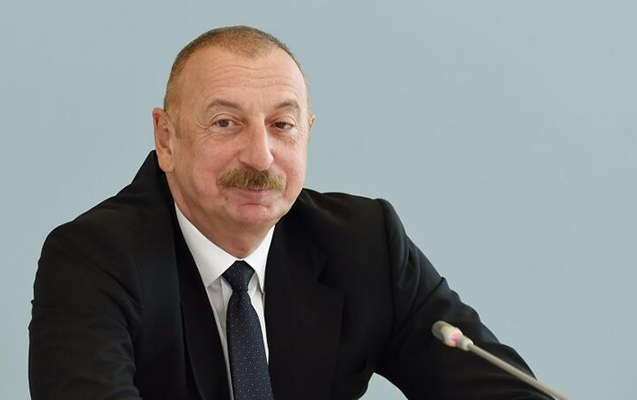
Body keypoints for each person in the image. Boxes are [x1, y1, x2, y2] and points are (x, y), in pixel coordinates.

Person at [29, 26, 549, 400]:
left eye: (282, 125)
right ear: (166, 139)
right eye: (226, 123)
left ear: (308, 133)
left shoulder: (365, 245)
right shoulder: (93, 259)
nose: (260, 157)